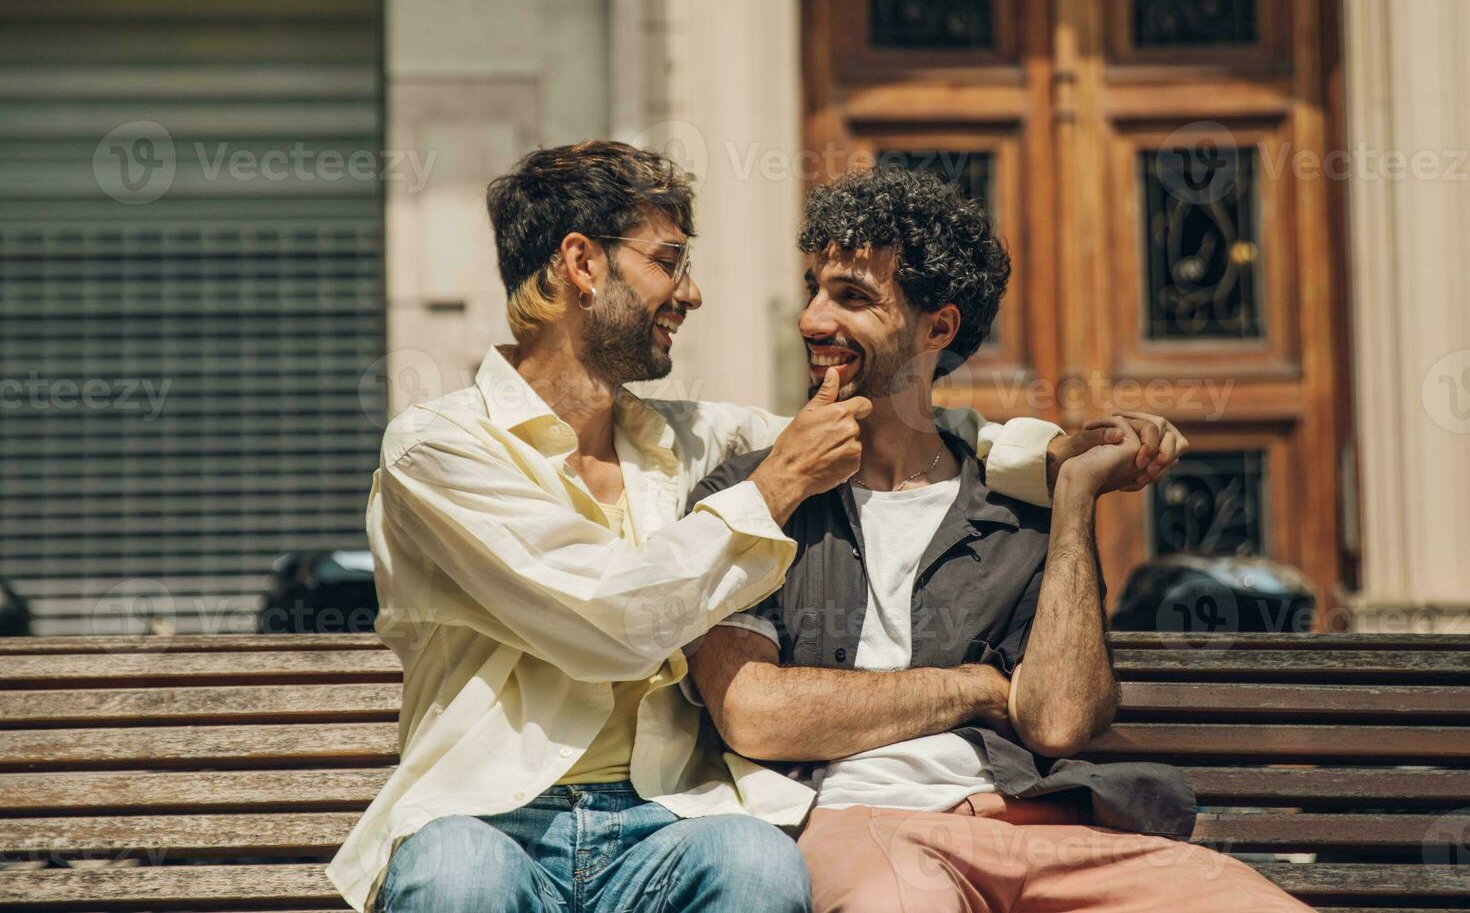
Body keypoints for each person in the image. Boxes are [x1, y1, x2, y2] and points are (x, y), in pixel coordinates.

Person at [325, 142, 1184, 912]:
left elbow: (901, 424)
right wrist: (772, 489)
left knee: (757, 866)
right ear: (581, 265)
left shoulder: (686, 438)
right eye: (668, 262)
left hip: (668, 816)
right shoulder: (436, 451)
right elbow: (610, 622)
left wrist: (1052, 454)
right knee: (459, 879)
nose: (690, 293)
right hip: (487, 815)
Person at [687, 167, 1310, 912]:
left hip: (1048, 820)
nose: (814, 319)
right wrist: (977, 688)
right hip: (871, 827)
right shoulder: (756, 494)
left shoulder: (1017, 504)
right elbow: (755, 714)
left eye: (851, 296)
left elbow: (1057, 719)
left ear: (938, 328)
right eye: (815, 287)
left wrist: (1075, 501)